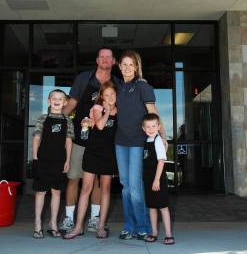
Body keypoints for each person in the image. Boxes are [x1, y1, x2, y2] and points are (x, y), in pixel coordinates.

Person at [60, 48, 117, 233]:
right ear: (97, 60)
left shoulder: (117, 83)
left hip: (103, 143)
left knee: (99, 182)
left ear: (113, 61)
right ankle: (69, 218)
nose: (105, 60)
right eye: (102, 56)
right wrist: (55, 118)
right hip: (81, 139)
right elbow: (72, 104)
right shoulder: (84, 78)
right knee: (74, 178)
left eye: (108, 57)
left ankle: (94, 219)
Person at [115, 50, 167, 240]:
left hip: (138, 142)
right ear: (119, 66)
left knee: (135, 186)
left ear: (136, 67)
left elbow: (152, 112)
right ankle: (129, 226)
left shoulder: (143, 87)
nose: (127, 68)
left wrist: (162, 135)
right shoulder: (118, 87)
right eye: (124, 64)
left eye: (131, 64)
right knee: (125, 186)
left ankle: (143, 226)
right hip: (120, 142)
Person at [32, 89, 74, 239]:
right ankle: (37, 223)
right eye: (54, 98)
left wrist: (68, 161)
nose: (57, 100)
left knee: (56, 192)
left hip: (59, 160)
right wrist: (35, 158)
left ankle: (53, 223)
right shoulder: (42, 118)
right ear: (49, 101)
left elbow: (68, 142)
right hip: (43, 159)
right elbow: (36, 138)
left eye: (60, 99)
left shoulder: (67, 120)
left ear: (65, 103)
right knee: (41, 191)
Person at [142, 113, 175, 245]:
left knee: (163, 206)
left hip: (158, 179)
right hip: (148, 179)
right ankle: (154, 232)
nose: (151, 129)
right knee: (152, 207)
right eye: (148, 127)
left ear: (158, 127)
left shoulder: (157, 140)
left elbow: (161, 161)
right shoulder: (146, 141)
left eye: (153, 126)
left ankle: (168, 234)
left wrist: (156, 180)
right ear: (143, 128)